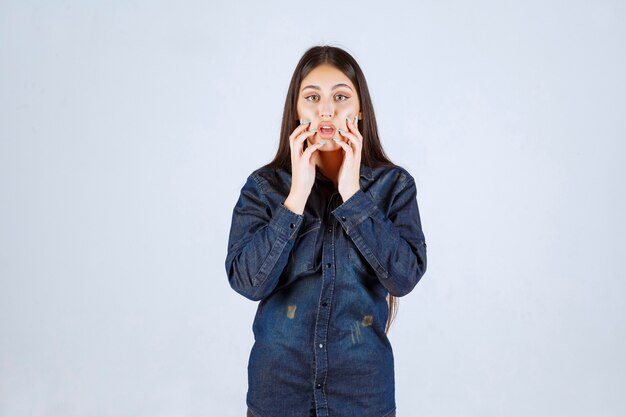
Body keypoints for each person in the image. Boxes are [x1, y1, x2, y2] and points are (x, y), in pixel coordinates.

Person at [225, 45, 427, 417]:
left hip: (362, 394)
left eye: (341, 96)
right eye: (312, 97)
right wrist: (296, 196)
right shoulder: (264, 188)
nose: (326, 110)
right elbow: (247, 282)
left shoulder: (393, 186)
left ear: (360, 109)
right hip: (278, 393)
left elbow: (404, 277)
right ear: (297, 110)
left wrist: (353, 196)